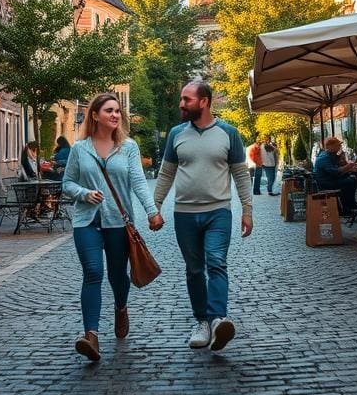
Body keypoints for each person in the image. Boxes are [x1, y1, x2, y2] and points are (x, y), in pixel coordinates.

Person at [61, 92, 163, 362]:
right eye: (109, 110)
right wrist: (84, 193)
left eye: (117, 111)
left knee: (118, 275)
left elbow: (138, 182)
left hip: (118, 222)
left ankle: (120, 307)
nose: (116, 115)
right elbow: (67, 183)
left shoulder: (128, 147)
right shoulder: (79, 149)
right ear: (95, 115)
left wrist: (152, 212)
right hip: (87, 222)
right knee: (93, 272)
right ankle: (91, 336)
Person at [153, 80, 253, 352]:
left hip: (218, 212)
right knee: (195, 269)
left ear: (204, 102)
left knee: (216, 262)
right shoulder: (176, 134)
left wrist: (247, 210)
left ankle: (218, 318)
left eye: (187, 99)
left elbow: (240, 174)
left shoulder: (228, 133)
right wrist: (155, 207)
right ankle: (203, 322)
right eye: (181, 99)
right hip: (185, 214)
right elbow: (166, 173)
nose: (181, 104)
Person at [312, 137, 357, 215]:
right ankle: (348, 207)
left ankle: (349, 206)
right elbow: (334, 172)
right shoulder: (324, 157)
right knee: (349, 182)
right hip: (326, 183)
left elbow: (338, 168)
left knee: (351, 179)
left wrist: (344, 165)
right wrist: (347, 167)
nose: (339, 147)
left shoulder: (331, 155)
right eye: (337, 145)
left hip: (330, 180)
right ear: (329, 146)